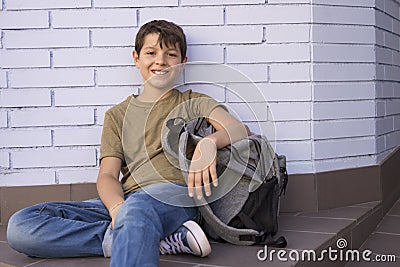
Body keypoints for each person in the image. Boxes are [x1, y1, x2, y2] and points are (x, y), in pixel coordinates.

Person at [7, 20, 250, 267]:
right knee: (22, 225)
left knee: (137, 210)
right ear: (136, 58)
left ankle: (136, 232)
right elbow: (108, 176)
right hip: (126, 197)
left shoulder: (194, 101)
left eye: (171, 54)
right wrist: (116, 209)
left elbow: (240, 129)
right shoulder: (117, 115)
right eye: (151, 53)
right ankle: (150, 237)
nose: (161, 61)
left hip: (175, 196)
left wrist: (209, 143)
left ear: (183, 62)